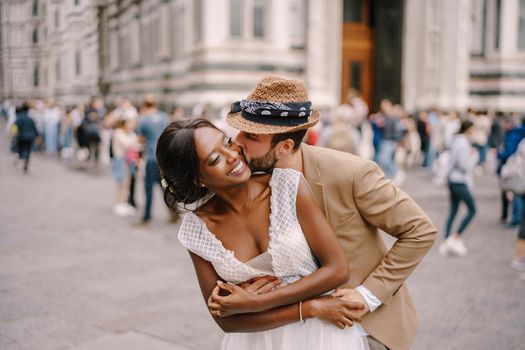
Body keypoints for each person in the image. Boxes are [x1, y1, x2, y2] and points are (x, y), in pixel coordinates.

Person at [227, 75, 436, 350]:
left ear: (285, 146)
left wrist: (368, 295)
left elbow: (420, 230)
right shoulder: (244, 180)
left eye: (250, 135)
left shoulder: (352, 173)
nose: (236, 140)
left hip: (364, 327)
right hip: (286, 330)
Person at [157, 118, 369, 350]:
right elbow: (224, 319)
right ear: (198, 179)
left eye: (227, 142)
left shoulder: (287, 185)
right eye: (215, 158)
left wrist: (257, 302)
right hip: (256, 341)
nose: (233, 155)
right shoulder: (196, 230)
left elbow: (338, 270)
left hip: (321, 337)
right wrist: (310, 308)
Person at [439, 120, 478, 257]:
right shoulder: (463, 142)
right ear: (469, 129)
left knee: (453, 210)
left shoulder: (456, 140)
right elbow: (464, 165)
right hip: (460, 180)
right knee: (472, 209)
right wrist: (474, 157)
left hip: (452, 180)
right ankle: (455, 237)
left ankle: (447, 239)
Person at [137, 95, 169, 223]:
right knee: (165, 187)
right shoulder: (164, 117)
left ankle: (147, 215)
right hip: (163, 158)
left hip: (150, 157)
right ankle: (173, 212)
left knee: (148, 187)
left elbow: (140, 139)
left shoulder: (144, 120)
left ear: (144, 106)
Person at [14, 101, 39, 173]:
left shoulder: (19, 117)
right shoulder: (30, 118)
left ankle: (21, 158)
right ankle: (26, 161)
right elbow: (35, 128)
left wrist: (14, 134)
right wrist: (37, 136)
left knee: (20, 148)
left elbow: (15, 126)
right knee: (28, 150)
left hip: (22, 137)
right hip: (30, 137)